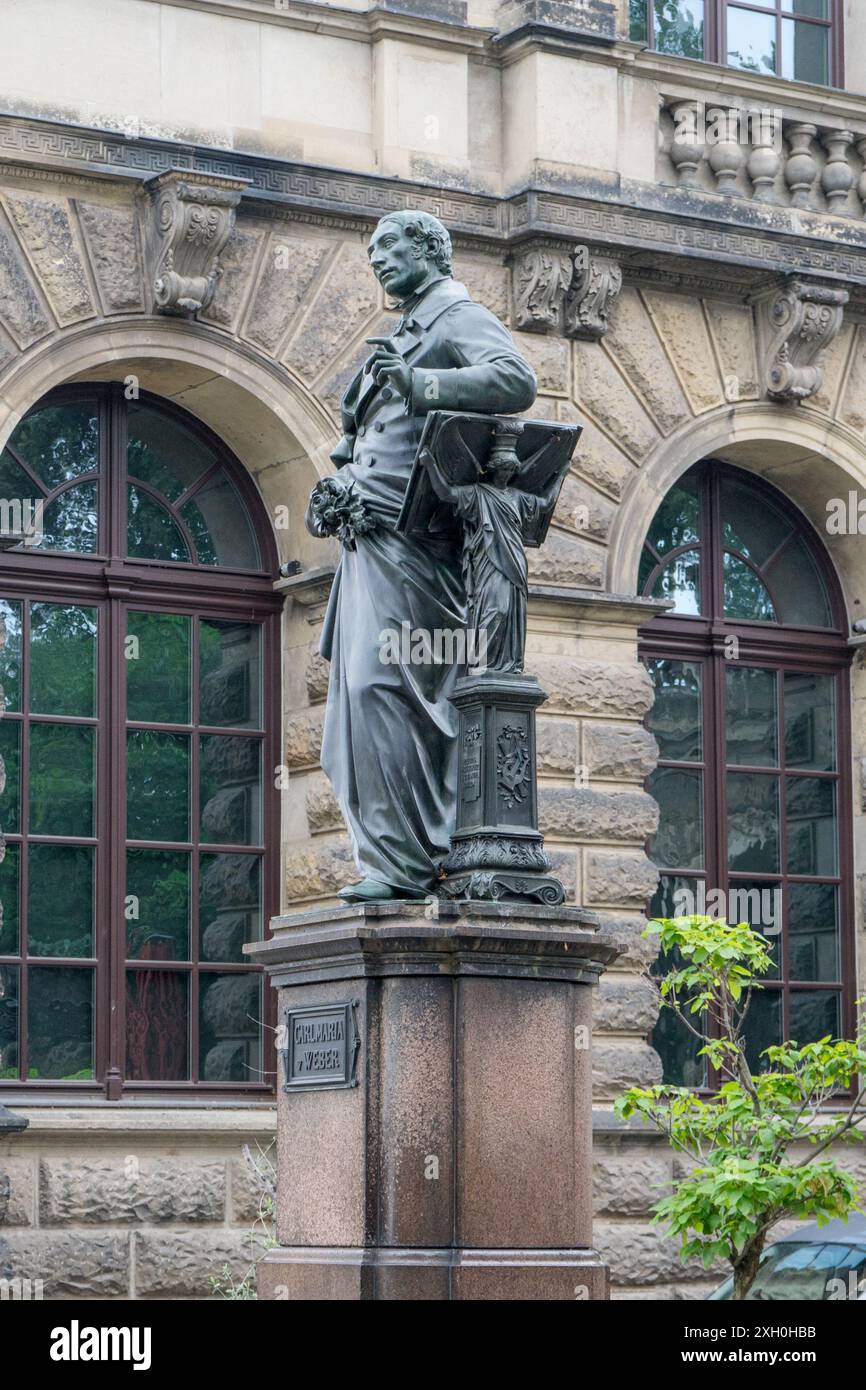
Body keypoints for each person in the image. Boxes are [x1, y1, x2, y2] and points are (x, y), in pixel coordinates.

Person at [307, 209, 536, 902]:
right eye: (370, 250)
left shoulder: (453, 316)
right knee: (352, 704)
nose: (377, 260)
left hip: (417, 545)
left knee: (389, 687)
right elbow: (363, 441)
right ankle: (390, 858)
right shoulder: (404, 331)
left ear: (431, 249)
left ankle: (413, 861)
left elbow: (514, 380)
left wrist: (423, 385)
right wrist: (339, 488)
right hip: (369, 543)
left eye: (389, 247)